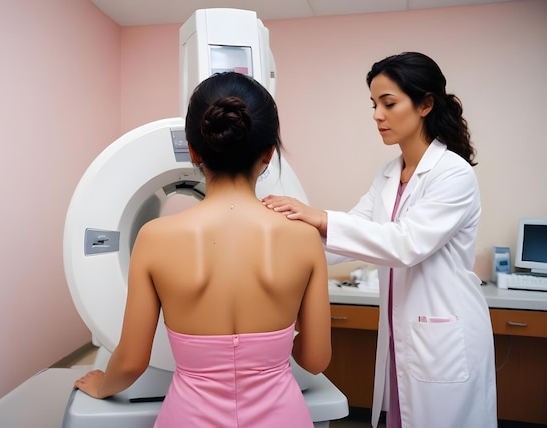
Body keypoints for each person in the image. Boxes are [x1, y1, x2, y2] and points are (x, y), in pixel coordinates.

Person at [74, 71, 332, 427]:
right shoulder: (304, 238)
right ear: (269, 154)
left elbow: (132, 361)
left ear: (193, 149)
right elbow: (316, 360)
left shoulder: (154, 239)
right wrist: (267, 355)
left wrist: (103, 387)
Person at [263, 52, 497, 428]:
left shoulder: (453, 174)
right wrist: (284, 244)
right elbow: (352, 233)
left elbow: (404, 244)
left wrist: (318, 216)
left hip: (443, 335)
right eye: (374, 104)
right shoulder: (389, 173)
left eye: (389, 103)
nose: (377, 115)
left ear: (425, 104)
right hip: (403, 334)